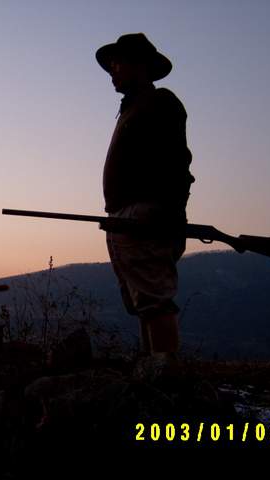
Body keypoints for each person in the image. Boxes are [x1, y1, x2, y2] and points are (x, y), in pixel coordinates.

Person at [95, 33, 195, 378]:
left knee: (153, 299)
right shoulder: (134, 107)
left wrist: (162, 212)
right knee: (144, 302)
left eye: (117, 63)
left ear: (139, 66)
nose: (112, 70)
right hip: (126, 219)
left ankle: (165, 374)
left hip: (145, 216)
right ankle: (152, 370)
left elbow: (177, 164)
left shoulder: (159, 102)